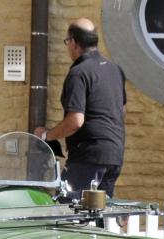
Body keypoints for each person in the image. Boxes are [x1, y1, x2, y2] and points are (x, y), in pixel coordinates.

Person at [34, 18, 126, 199]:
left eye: (67, 42)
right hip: (114, 153)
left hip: (88, 156)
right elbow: (121, 111)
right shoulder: (114, 70)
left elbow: (76, 120)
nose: (68, 47)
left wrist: (46, 135)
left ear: (74, 42)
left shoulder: (79, 72)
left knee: (68, 211)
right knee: (100, 215)